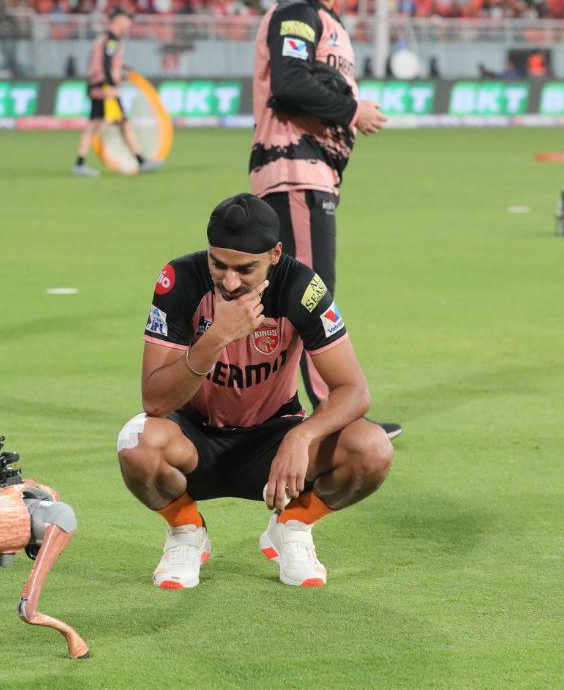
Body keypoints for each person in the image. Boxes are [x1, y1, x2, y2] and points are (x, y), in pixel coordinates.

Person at [118, 193, 394, 589]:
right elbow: (155, 400)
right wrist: (217, 337)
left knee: (373, 448)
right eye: (219, 264)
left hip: (274, 440)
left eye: (245, 268)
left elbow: (353, 390)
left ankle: (293, 525)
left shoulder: (302, 287)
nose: (229, 281)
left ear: (276, 253)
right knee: (135, 441)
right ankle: (185, 533)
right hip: (196, 440)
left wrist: (302, 435)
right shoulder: (179, 279)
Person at [248, 0, 401, 440]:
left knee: (294, 297)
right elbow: (289, 86)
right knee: (314, 295)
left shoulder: (319, 18)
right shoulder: (296, 13)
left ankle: (271, 408)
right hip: (295, 170)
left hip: (309, 174)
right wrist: (353, 109)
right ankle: (332, 415)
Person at [71, 8, 159, 177]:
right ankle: (140, 161)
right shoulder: (111, 39)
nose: (129, 24)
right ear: (117, 19)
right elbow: (106, 63)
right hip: (105, 89)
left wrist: (122, 68)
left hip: (97, 86)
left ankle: (81, 163)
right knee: (118, 124)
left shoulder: (104, 39)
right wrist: (112, 83)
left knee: (98, 124)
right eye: (127, 19)